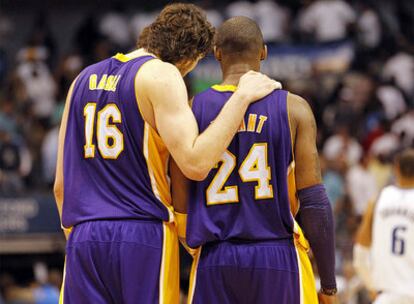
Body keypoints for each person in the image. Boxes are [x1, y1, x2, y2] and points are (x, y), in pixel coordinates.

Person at [54, 4, 279, 304]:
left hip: (83, 235)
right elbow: (196, 163)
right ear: (189, 57)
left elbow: (60, 186)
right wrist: (242, 97)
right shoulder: (162, 74)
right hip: (141, 232)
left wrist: (84, 236)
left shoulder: (81, 80)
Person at [171, 17, 337, 304]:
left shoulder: (191, 109)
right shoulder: (293, 108)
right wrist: (329, 285)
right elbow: (314, 201)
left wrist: (193, 243)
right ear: (264, 53)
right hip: (277, 255)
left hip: (215, 257)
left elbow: (181, 194)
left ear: (217, 53)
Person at [354, 148, 414, 304]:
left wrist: (372, 285)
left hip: (387, 295)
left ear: (396, 169)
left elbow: (360, 251)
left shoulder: (378, 199)